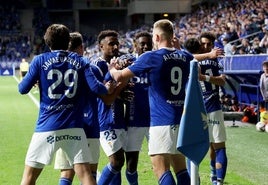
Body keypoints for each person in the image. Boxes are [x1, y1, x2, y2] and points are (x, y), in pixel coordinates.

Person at [18, 24, 108, 185]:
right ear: (68, 41)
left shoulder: (39, 60)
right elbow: (96, 88)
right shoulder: (80, 60)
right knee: (86, 175)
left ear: (47, 42)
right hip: (74, 126)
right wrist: (107, 86)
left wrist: (37, 79)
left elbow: (22, 89)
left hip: (47, 126)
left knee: (29, 177)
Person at [109, 19, 193, 185]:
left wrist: (112, 68)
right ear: (172, 36)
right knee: (181, 168)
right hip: (180, 121)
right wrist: (179, 48)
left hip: (161, 122)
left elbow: (119, 76)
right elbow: (195, 65)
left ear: (156, 37)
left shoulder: (151, 57)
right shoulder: (185, 56)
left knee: (161, 169)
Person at [53, 31, 118, 185]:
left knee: (66, 174)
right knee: (90, 174)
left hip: (66, 126)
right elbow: (107, 101)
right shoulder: (92, 69)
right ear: (82, 47)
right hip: (89, 128)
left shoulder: (57, 71)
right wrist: (116, 87)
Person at [91, 30, 128, 185]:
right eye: (111, 44)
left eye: (116, 43)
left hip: (120, 119)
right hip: (105, 120)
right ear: (101, 46)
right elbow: (101, 93)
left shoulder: (121, 63)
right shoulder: (96, 66)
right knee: (117, 161)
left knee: (117, 167)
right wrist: (119, 91)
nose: (115, 46)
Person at [197, 31, 228, 185]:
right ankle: (209, 176)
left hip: (213, 107)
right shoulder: (194, 58)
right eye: (203, 44)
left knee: (217, 145)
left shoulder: (193, 60)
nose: (206, 47)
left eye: (209, 44)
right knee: (211, 145)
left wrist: (205, 78)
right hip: (196, 110)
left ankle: (217, 179)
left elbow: (223, 81)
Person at [124, 31, 152, 185]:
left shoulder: (156, 62)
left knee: (160, 161)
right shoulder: (128, 62)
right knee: (131, 164)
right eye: (142, 44)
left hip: (155, 121)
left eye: (149, 43)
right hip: (133, 120)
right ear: (135, 45)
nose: (146, 47)